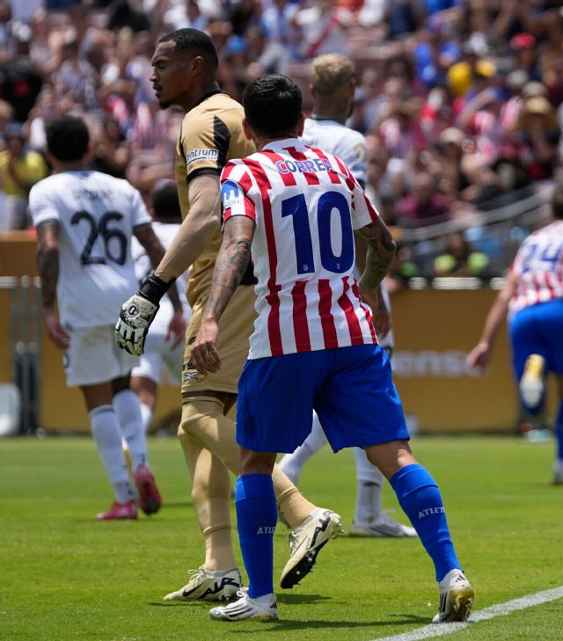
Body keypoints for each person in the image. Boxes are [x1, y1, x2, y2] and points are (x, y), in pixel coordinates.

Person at [188, 74, 473, 623]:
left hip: (282, 338)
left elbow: (237, 243)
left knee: (254, 459)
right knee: (395, 454)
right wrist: (365, 289)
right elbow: (384, 243)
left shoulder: (244, 172)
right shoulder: (336, 168)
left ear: (249, 127)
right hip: (352, 334)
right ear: (302, 121)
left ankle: (262, 598)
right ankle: (451, 572)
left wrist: (210, 319)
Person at [113, 28, 341, 602]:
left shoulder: (201, 121)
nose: (152, 74)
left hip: (229, 287)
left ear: (196, 66)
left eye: (163, 64)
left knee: (193, 417)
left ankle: (301, 511)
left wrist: (150, 286)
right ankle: (218, 563)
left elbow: (207, 213)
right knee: (207, 425)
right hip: (258, 283)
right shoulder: (239, 115)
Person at [276, 53, 415, 539]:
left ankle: (301, 477)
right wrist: (371, 288)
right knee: (369, 387)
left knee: (326, 385)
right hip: (349, 279)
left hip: (299, 278)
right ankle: (355, 504)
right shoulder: (350, 143)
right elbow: (355, 213)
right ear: (351, 87)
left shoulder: (296, 135)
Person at [31, 116, 176, 519]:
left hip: (84, 302)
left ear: (49, 154)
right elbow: (154, 248)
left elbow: (47, 246)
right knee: (123, 386)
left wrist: (48, 307)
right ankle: (142, 462)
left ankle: (124, 495)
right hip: (127, 298)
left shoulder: (47, 189)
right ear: (89, 148)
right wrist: (176, 305)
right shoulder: (122, 187)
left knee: (96, 398)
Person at [466, 185, 563, 485]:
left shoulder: (532, 241)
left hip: (522, 314)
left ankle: (534, 367)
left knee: (533, 408)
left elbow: (506, 292)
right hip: (560, 308)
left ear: (551, 210)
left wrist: (486, 341)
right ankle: (562, 464)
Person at [129, 181, 188, 432]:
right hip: (182, 319)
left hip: (142, 317)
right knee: (203, 397)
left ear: (151, 208)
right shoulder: (192, 233)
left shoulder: (139, 236)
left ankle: (132, 444)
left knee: (143, 392)